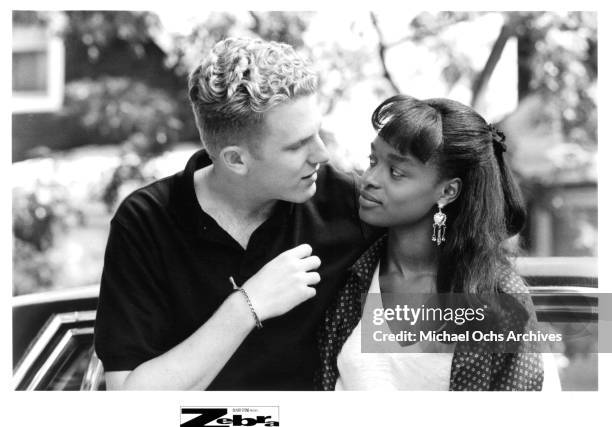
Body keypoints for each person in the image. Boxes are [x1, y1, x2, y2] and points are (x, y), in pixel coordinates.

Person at [94, 37, 378, 390]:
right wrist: (247, 306)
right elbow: (128, 398)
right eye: (296, 146)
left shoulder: (352, 202)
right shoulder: (146, 221)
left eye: (316, 133)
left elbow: (439, 320)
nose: (321, 154)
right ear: (235, 159)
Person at [318, 94, 558, 391]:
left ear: (447, 191)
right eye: (373, 161)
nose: (369, 178)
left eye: (396, 171)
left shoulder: (499, 296)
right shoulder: (351, 275)